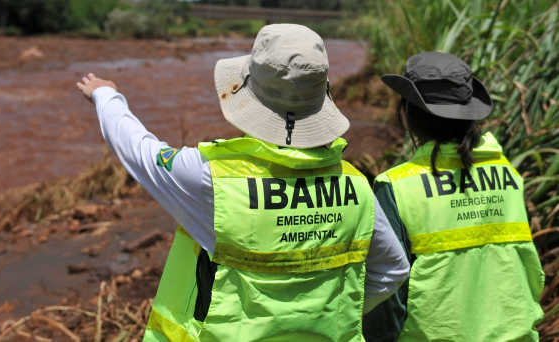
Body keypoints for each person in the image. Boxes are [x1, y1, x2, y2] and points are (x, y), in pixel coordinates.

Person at [77, 24, 409, 341]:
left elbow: (139, 151)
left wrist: (106, 95)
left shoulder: (212, 179)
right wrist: (322, 320)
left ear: (249, 94)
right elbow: (392, 270)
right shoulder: (355, 185)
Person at [363, 51, 545, 341]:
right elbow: (526, 265)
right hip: (516, 334)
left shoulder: (396, 186)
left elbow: (389, 289)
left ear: (409, 115)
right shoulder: (508, 174)